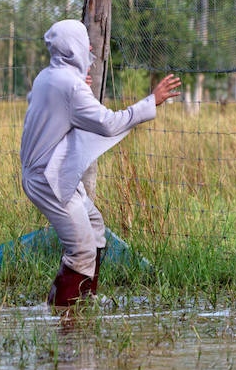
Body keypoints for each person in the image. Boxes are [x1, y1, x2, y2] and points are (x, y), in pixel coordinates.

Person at [20, 19, 181, 311]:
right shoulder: (70, 86)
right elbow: (108, 125)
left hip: (52, 172)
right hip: (49, 179)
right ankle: (62, 311)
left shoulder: (50, 75)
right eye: (85, 42)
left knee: (94, 226)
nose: (91, 48)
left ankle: (86, 299)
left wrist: (78, 82)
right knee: (81, 248)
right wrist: (151, 102)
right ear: (73, 47)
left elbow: (59, 99)